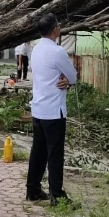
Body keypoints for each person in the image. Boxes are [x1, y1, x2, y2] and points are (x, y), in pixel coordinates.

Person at [25, 14, 77, 206]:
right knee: (54, 154)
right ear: (55, 29)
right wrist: (67, 81)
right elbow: (72, 77)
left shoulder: (35, 50)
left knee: (38, 151)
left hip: (38, 107)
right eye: (58, 25)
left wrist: (65, 80)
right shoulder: (58, 51)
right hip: (54, 110)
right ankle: (56, 194)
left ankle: (33, 189)